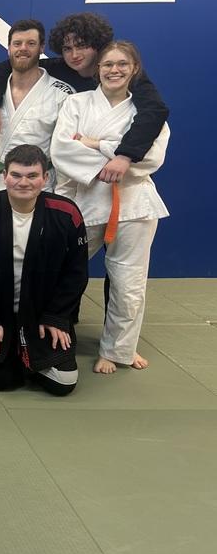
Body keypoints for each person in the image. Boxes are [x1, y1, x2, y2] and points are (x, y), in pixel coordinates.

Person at [50, 41, 169, 374]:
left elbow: (152, 157)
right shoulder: (76, 102)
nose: (114, 70)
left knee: (128, 281)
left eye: (122, 64)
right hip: (84, 202)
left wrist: (95, 143)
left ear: (134, 69)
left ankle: (118, 349)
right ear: (97, 69)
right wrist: (112, 155)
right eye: (107, 65)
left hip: (134, 204)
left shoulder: (147, 113)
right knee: (60, 272)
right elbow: (62, 150)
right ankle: (51, 334)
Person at [0, 144, 88, 396]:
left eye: (32, 176)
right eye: (16, 175)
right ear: (4, 176)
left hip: (41, 313)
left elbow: (76, 273)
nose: (23, 182)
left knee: (63, 383)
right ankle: (18, 352)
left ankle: (29, 352)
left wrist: (57, 317)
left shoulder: (66, 214)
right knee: (0, 380)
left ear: (45, 178)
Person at [0, 12, 168, 180]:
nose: (74, 55)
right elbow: (4, 68)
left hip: (120, 170)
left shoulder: (122, 75)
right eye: (67, 49)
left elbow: (155, 111)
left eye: (81, 46)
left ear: (97, 46)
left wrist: (124, 155)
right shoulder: (62, 68)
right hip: (73, 170)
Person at [0, 19, 74, 194]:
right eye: (17, 43)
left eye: (31, 43)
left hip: (38, 185)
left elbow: (67, 150)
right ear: (9, 48)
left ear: (41, 48)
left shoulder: (63, 94)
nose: (23, 48)